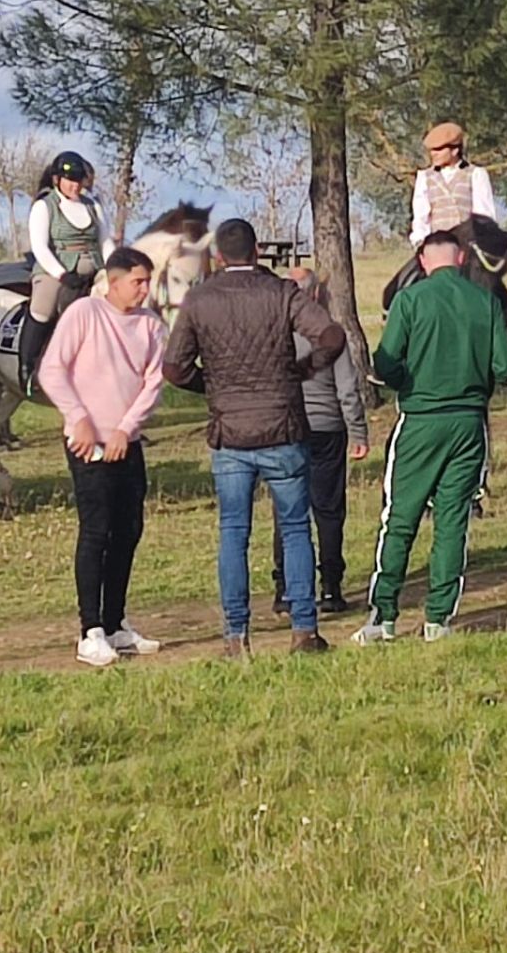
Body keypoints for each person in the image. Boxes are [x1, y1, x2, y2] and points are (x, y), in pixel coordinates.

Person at [163, 218, 345, 655]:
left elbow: (173, 368)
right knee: (296, 527)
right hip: (282, 427)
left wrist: (210, 385)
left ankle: (236, 636)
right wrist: (304, 369)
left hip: (230, 434)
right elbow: (332, 335)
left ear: (219, 257)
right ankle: (304, 630)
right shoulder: (282, 293)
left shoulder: (199, 300)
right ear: (258, 250)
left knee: (233, 532)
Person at [355, 229, 507, 644]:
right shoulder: (485, 301)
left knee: (400, 517)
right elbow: (506, 367)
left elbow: (385, 366)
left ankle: (384, 616)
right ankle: (438, 620)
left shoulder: (410, 300)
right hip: (469, 424)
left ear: (424, 262)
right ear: (462, 258)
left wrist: (402, 374)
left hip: (421, 420)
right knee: (453, 520)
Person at [37, 246, 167, 667]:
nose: (144, 290)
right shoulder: (84, 315)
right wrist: (80, 419)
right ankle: (89, 630)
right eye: (137, 282)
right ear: (114, 282)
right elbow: (53, 371)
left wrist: (126, 430)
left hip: (125, 441)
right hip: (87, 443)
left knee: (128, 530)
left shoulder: (151, 326)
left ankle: (115, 623)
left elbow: (154, 382)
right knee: (96, 531)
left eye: (148, 281)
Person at [273, 268, 370, 618]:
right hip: (327, 428)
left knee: (286, 510)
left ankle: (285, 588)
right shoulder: (330, 333)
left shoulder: (275, 332)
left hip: (286, 429)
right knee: (328, 511)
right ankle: (331, 586)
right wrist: (357, 432)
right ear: (315, 296)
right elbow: (347, 389)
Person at [20, 150, 116, 398]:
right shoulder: (44, 206)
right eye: (70, 180)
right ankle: (28, 369)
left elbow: (105, 241)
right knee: (45, 305)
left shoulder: (93, 205)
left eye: (78, 180)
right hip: (57, 267)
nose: (75, 186)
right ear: (57, 180)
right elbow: (40, 247)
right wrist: (62, 275)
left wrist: (113, 269)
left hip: (95, 267)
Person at [410, 122, 498, 246]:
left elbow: (484, 216)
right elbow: (421, 217)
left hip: (468, 246)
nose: (433, 153)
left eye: (439, 149)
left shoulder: (476, 174)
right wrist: (420, 242)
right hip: (437, 246)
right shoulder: (424, 177)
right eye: (432, 150)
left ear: (455, 150)